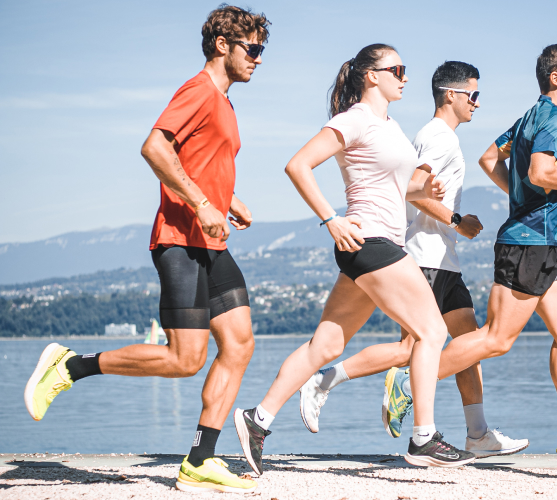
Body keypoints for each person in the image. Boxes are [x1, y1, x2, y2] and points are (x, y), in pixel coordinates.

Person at [23, 6, 270, 493]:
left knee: (240, 344)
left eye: (262, 50)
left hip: (210, 242)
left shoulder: (225, 102)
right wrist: (202, 204)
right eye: (253, 48)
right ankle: (70, 366)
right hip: (180, 240)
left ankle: (200, 460)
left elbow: (195, 160)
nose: (259, 58)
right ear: (223, 44)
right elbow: (155, 147)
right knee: (184, 359)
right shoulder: (199, 90)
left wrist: (227, 200)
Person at [233, 44, 476, 474]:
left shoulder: (391, 126)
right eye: (397, 69)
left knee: (326, 345)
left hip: (372, 246)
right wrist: (331, 219)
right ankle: (424, 437)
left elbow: (395, 186)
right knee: (432, 332)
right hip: (371, 242)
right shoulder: (355, 119)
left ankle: (258, 419)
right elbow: (298, 165)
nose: (405, 77)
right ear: (371, 76)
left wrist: (424, 191)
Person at [390, 44, 557, 462]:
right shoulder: (555, 120)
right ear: (556, 78)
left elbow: (489, 159)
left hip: (542, 243)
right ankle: (411, 382)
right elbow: (541, 172)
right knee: (497, 339)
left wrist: (522, 199)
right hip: (527, 244)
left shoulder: (529, 118)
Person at [295, 61, 528, 458]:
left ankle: (478, 433)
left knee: (468, 343)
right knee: (411, 349)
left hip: (443, 257)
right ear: (451, 95)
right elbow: (412, 188)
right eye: (473, 95)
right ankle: (326, 380)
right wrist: (455, 219)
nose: (477, 103)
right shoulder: (438, 137)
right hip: (424, 255)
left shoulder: (440, 137)